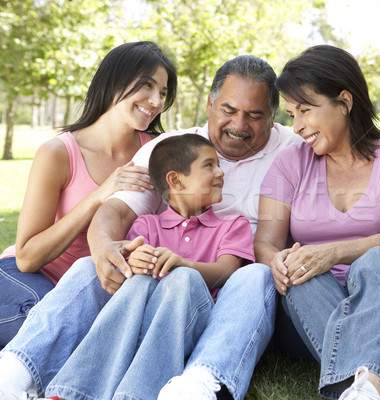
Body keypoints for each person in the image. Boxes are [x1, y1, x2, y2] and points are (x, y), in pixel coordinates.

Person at [0, 55, 301, 400]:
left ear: (274, 115)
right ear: (210, 103)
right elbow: (115, 211)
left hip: (230, 297)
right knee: (89, 266)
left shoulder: (297, 148)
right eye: (229, 110)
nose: (239, 124)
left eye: (255, 115)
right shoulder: (171, 148)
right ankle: (15, 373)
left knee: (255, 275)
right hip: (162, 294)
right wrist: (104, 250)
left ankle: (199, 385)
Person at [254, 44, 380, 400]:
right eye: (291, 114)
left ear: (345, 101)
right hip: (312, 312)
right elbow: (265, 243)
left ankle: (366, 385)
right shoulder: (289, 162)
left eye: (305, 109)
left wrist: (331, 253)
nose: (297, 125)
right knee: (300, 269)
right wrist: (278, 261)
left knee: (379, 257)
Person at [43, 134, 255, 399]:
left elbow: (229, 271)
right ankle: (73, 392)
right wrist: (136, 262)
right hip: (144, 324)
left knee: (183, 278)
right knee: (138, 279)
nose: (220, 172)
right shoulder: (147, 226)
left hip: (195, 324)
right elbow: (130, 275)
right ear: (176, 181)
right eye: (209, 165)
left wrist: (183, 264)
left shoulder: (233, 226)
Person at [0, 40, 176, 347]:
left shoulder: (158, 152)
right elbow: (27, 257)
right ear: (114, 81)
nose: (156, 100)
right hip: (38, 279)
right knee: (52, 323)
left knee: (92, 334)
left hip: (102, 287)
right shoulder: (58, 153)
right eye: (146, 85)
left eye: (162, 92)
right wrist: (99, 194)